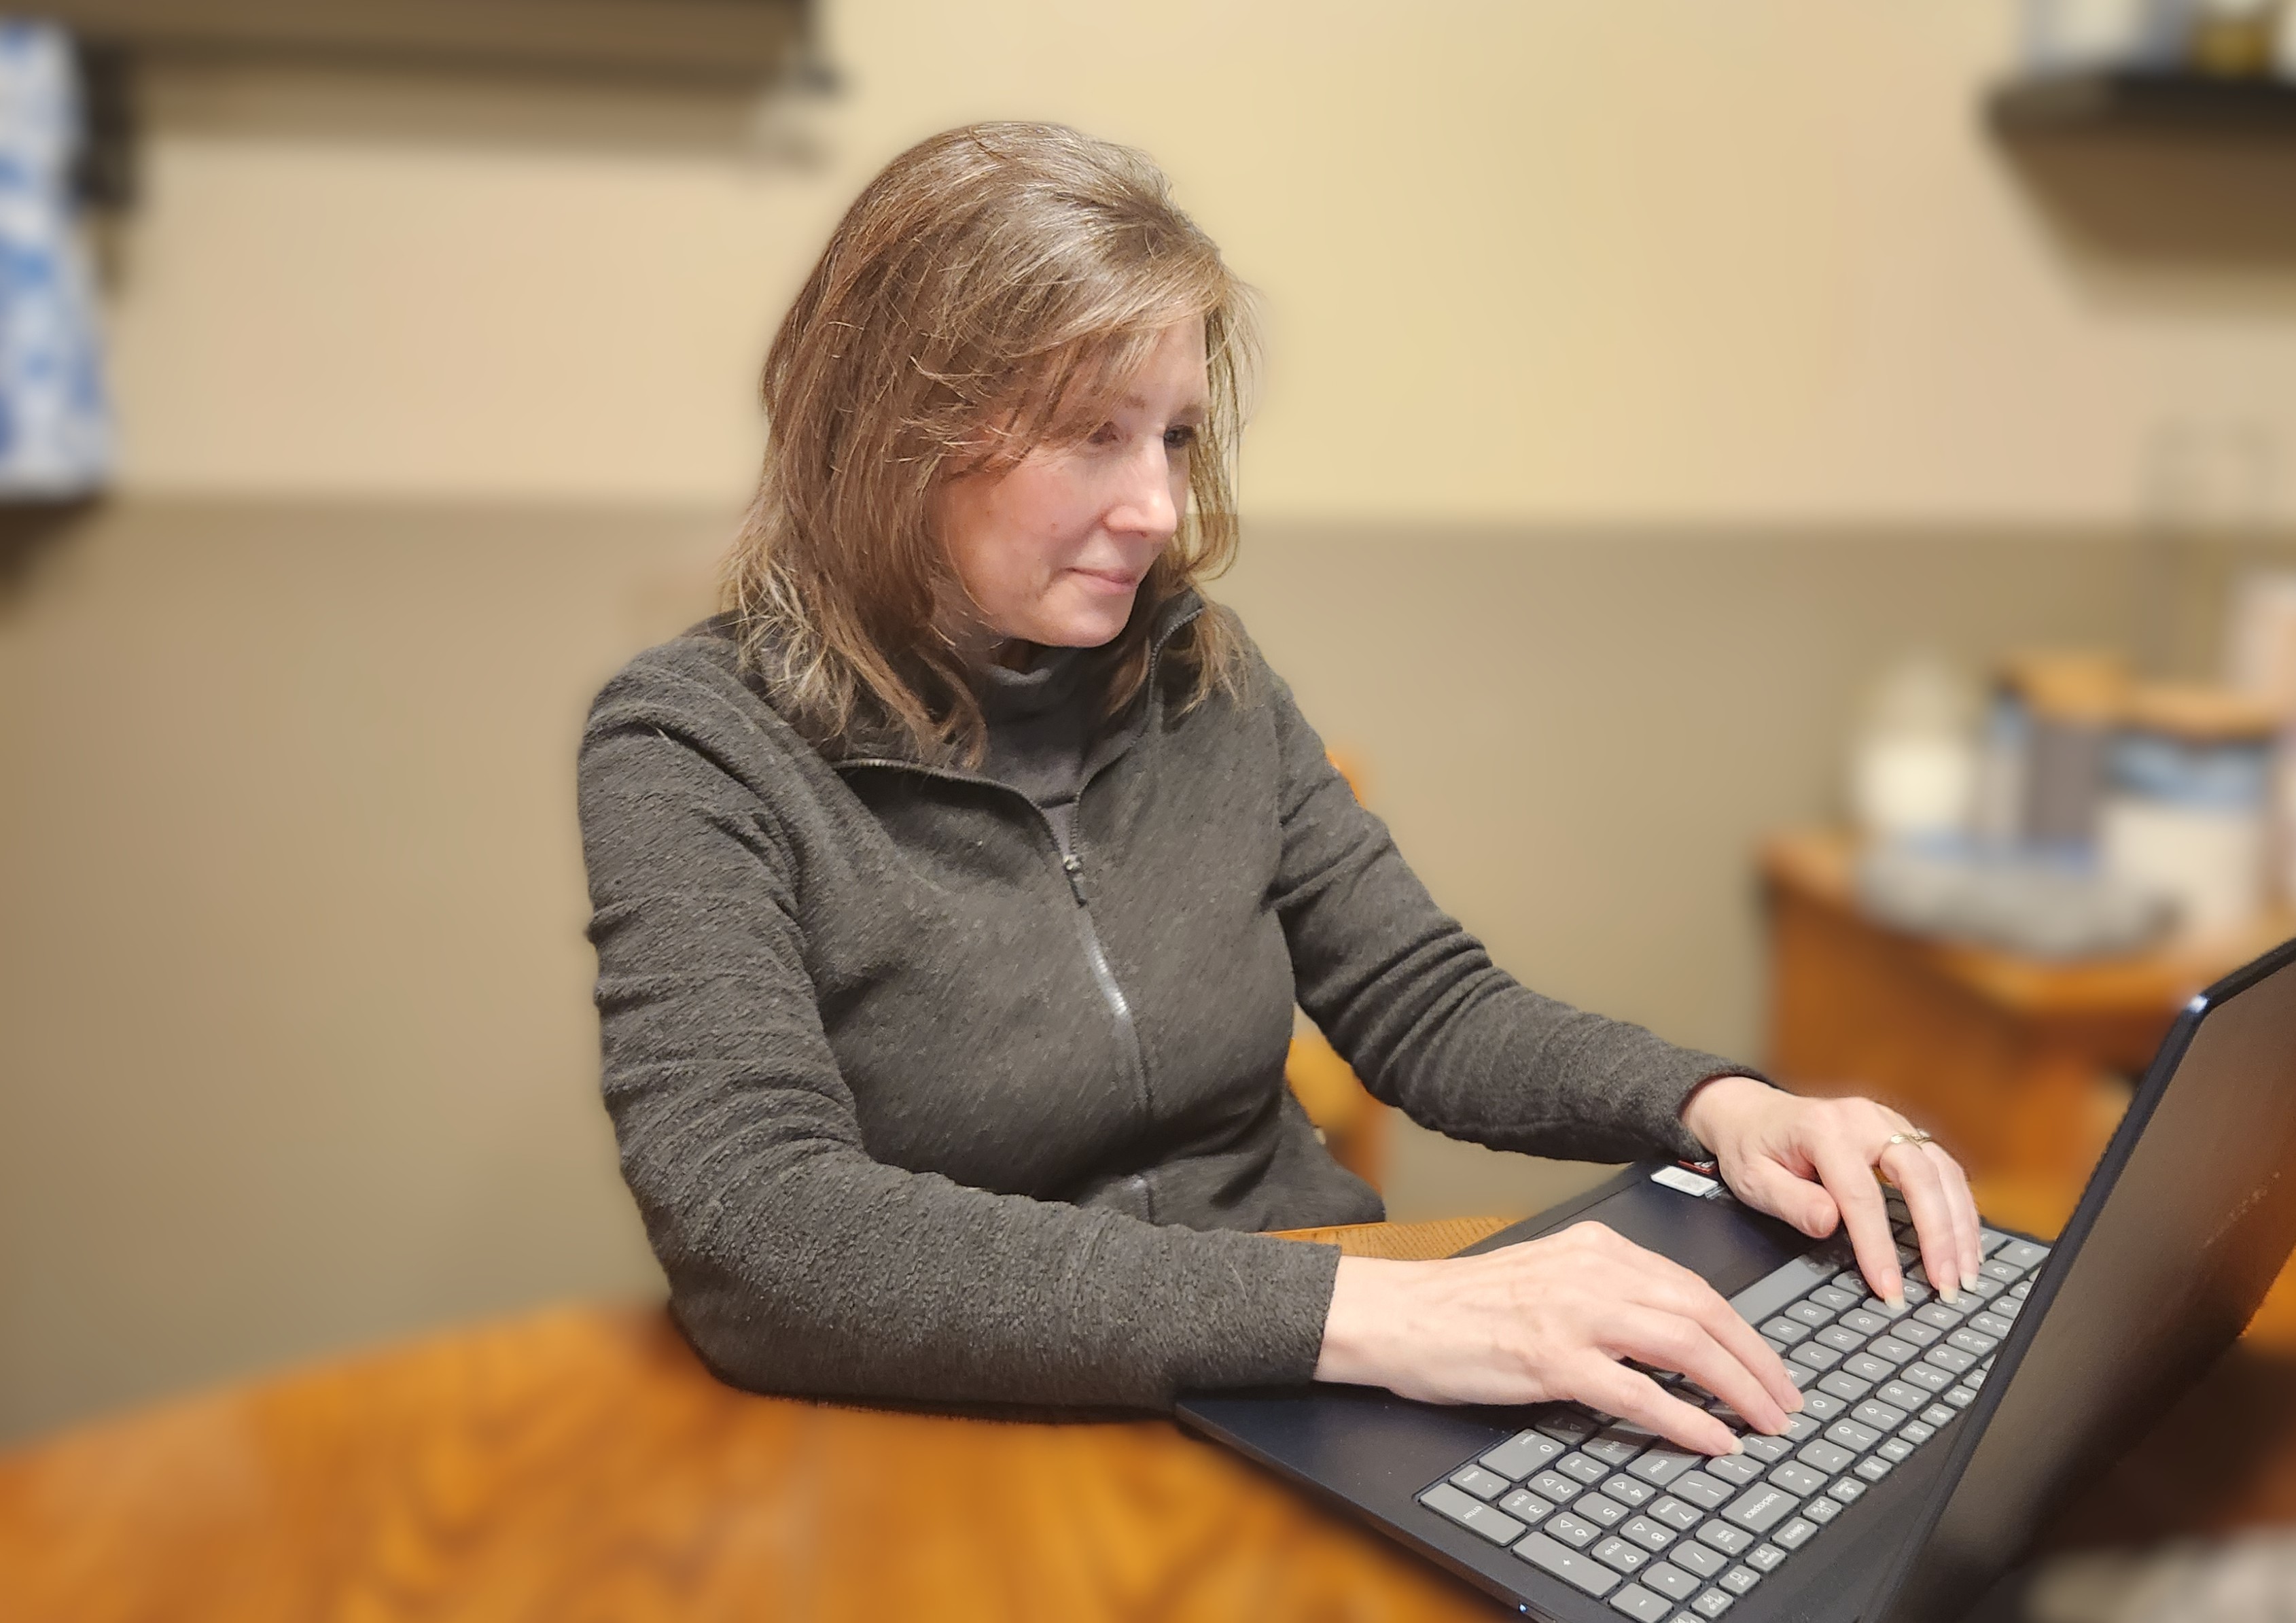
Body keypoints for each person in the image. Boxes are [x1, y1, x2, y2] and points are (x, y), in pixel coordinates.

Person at [577, 122, 1981, 1454]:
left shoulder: (1200, 673)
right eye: (1092, 434)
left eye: (1176, 436)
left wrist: (1720, 1107)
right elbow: (762, 1231)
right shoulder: (694, 744)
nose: (1160, 511)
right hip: (986, 1423)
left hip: (1305, 1385)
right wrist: (1382, 1313)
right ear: (894, 433)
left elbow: (1429, 1008)